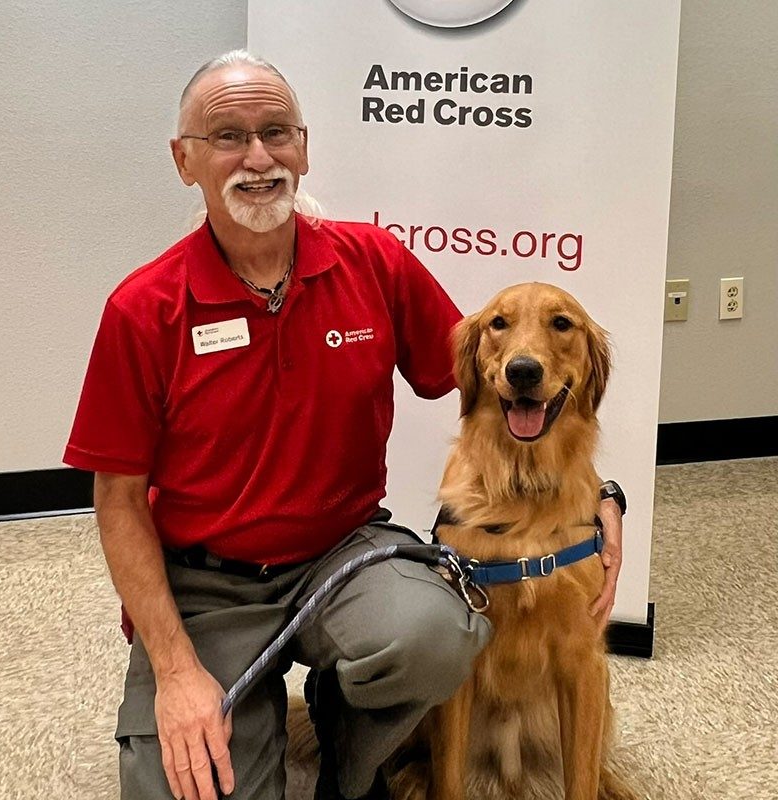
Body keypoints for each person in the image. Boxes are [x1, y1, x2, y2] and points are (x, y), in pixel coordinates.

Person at [64, 50, 623, 800]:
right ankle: (241, 699)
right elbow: (119, 502)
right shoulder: (143, 308)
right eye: (228, 136)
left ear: (303, 146)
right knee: (187, 789)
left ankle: (349, 753)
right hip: (207, 582)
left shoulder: (373, 262)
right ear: (184, 161)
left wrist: (603, 497)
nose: (258, 157)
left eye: (276, 132)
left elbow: (509, 378)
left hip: (345, 553)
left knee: (434, 636)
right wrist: (173, 670)